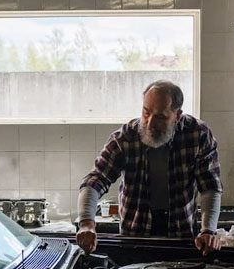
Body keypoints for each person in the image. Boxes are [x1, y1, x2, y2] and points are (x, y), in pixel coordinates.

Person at [77, 80, 223, 255]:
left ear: (177, 116)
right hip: (135, 238)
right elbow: (95, 180)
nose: (150, 123)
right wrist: (86, 223)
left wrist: (208, 230)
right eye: (146, 113)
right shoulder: (125, 138)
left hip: (181, 236)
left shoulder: (198, 134)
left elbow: (210, 186)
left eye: (160, 117)